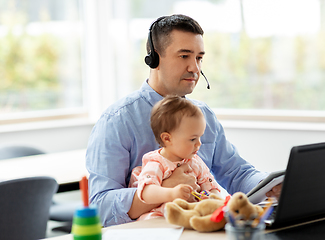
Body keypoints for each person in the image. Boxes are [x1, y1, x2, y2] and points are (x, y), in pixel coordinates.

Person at [86, 14, 280, 227]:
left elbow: (236, 172)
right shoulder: (116, 121)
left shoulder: (203, 115)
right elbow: (101, 208)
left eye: (199, 58)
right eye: (184, 56)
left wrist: (270, 186)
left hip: (197, 230)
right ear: (155, 59)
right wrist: (165, 190)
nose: (195, 68)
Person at [129, 95, 221, 220]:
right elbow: (146, 192)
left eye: (200, 137)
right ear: (167, 138)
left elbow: (211, 187)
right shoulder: (156, 163)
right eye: (193, 139)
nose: (199, 144)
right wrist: (172, 193)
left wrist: (210, 198)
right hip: (160, 217)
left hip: (189, 216)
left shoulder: (195, 161)